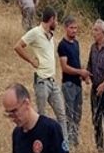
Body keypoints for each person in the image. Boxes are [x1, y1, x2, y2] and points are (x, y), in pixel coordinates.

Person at [14, 8, 67, 142]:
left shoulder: (50, 35)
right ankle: (40, 143)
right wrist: (31, 60)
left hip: (52, 80)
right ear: (51, 19)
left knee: (61, 113)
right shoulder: (35, 33)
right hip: (42, 80)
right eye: (56, 20)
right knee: (41, 115)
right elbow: (18, 46)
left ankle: (64, 144)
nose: (57, 23)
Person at [56, 16, 89, 148]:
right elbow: (64, 67)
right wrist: (80, 72)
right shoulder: (62, 45)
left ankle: (74, 140)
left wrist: (84, 75)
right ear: (65, 28)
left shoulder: (76, 43)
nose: (74, 30)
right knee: (69, 114)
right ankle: (68, 141)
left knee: (77, 114)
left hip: (78, 84)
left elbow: (77, 62)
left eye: (75, 28)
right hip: (68, 84)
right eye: (71, 28)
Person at [86, 19, 104, 153]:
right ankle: (99, 146)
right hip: (95, 88)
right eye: (93, 30)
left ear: (103, 33)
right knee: (96, 118)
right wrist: (86, 76)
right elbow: (89, 65)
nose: (93, 33)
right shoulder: (93, 48)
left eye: (96, 30)